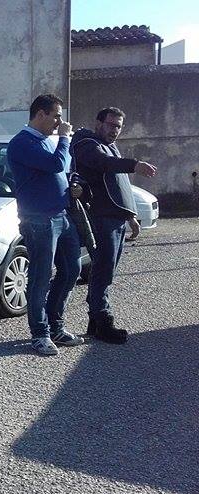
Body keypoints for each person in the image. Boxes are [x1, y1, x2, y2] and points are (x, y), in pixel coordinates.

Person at [71, 107, 158, 344]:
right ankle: (102, 320)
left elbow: (118, 186)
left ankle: (96, 321)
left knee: (107, 270)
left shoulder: (109, 145)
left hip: (116, 218)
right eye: (111, 125)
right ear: (98, 123)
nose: (115, 130)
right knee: (103, 270)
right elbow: (106, 164)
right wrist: (135, 164)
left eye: (118, 126)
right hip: (101, 218)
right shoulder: (87, 144)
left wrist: (131, 217)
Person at [7, 94, 84, 356]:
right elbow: (55, 164)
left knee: (72, 269)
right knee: (40, 277)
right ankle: (40, 334)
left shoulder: (46, 142)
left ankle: (56, 326)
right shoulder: (21, 143)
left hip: (61, 216)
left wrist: (73, 186)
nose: (59, 122)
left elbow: (63, 170)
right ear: (40, 114)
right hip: (38, 219)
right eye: (56, 116)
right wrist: (64, 138)